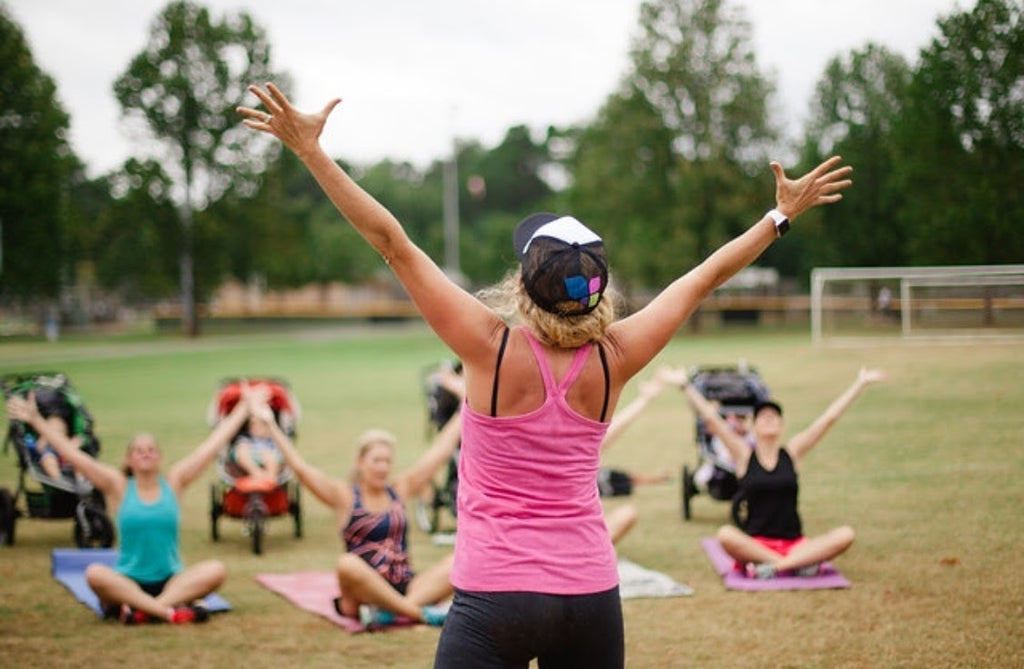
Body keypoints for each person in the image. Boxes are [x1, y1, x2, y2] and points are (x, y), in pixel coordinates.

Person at [237, 82, 852, 668]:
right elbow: (703, 279)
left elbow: (391, 242)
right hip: (590, 594)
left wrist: (312, 152)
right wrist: (779, 216)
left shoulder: (489, 348)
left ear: (523, 285)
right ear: (597, 291)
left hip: (496, 594)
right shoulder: (617, 356)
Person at [4, 392, 251, 625]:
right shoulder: (118, 486)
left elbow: (210, 447)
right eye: (138, 450)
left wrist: (243, 408)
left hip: (171, 582)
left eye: (151, 450)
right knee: (95, 574)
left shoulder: (174, 482)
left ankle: (145, 610)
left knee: (216, 570)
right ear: (129, 459)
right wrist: (36, 421)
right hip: (127, 582)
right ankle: (168, 612)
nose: (145, 454)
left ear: (159, 457)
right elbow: (74, 455)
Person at [243, 380, 461, 627]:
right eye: (376, 460)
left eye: (388, 461)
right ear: (360, 461)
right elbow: (301, 470)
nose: (383, 467)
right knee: (346, 564)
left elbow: (441, 451)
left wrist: (467, 402)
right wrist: (270, 425)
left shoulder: (400, 489)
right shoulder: (344, 496)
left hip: (405, 585)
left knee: (459, 560)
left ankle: (393, 613)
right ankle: (418, 613)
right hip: (361, 593)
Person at [666, 366, 886, 578]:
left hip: (795, 545)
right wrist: (685, 385)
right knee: (725, 535)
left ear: (781, 426)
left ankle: (776, 567)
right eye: (763, 416)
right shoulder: (743, 455)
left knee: (846, 534)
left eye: (775, 416)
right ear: (753, 427)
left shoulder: (792, 453)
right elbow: (712, 418)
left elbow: (827, 420)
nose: (770, 418)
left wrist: (860, 383)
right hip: (757, 545)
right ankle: (797, 565)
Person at [227, 412, 285, 483]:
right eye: (253, 425)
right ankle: (256, 473)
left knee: (270, 456)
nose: (257, 428)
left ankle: (270, 477)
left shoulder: (272, 440)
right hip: (249, 456)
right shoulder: (246, 438)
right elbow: (240, 447)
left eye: (262, 425)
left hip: (267, 455)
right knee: (242, 450)